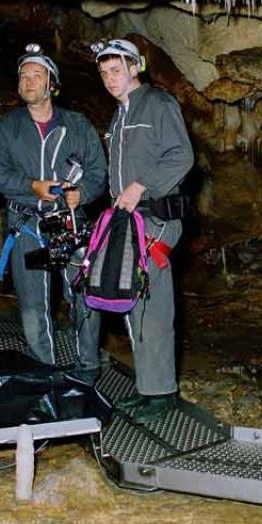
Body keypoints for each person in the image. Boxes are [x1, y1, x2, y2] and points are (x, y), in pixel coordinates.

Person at [0, 44, 107, 378]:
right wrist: (30, 186)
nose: (29, 81)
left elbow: (98, 171)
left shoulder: (77, 125)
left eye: (37, 75)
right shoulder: (8, 127)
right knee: (34, 304)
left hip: (68, 225)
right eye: (24, 76)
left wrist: (83, 194)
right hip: (29, 227)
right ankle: (45, 371)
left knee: (82, 297)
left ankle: (88, 367)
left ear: (52, 84)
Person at [91, 38, 193, 423]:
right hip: (129, 221)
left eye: (116, 70)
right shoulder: (119, 116)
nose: (109, 78)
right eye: (103, 73)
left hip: (157, 219)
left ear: (136, 68)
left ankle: (162, 393)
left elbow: (182, 155)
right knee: (133, 303)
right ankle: (149, 386)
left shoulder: (158, 105)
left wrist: (141, 185)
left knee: (153, 305)